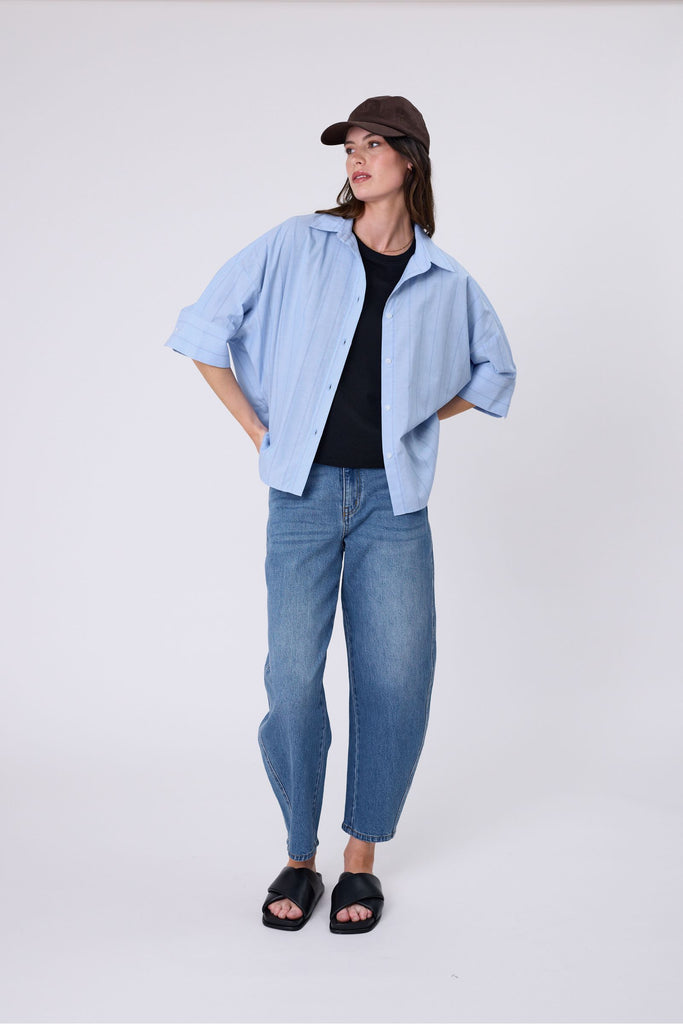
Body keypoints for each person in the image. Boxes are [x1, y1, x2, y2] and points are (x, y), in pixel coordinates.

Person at [165, 95, 517, 933]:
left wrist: (418, 416)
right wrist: (260, 430)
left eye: (372, 147)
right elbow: (202, 331)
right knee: (292, 678)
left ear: (410, 162)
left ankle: (359, 859)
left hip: (394, 504)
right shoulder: (298, 244)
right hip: (304, 494)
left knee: (394, 677)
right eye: (349, 148)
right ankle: (298, 851)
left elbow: (494, 374)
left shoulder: (446, 279)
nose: (355, 161)